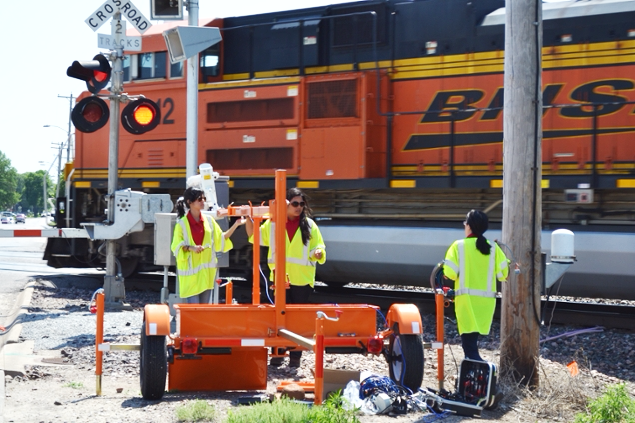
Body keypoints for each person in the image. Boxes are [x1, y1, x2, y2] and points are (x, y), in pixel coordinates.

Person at [245, 187, 326, 367]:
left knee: (297, 320)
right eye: (294, 203)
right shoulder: (273, 224)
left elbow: (318, 246)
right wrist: (248, 218)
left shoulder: (310, 225)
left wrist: (318, 253)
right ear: (286, 204)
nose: (298, 207)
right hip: (279, 279)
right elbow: (254, 236)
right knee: (279, 318)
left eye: (301, 204)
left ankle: (295, 357)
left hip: (302, 279)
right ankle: (278, 354)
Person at [443, 210, 509, 362]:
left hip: (466, 302)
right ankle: (476, 372)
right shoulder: (493, 248)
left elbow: (450, 274)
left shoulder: (458, 246)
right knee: (472, 343)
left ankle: (478, 372)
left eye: (465, 223)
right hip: (486, 304)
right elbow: (504, 274)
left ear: (469, 226)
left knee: (469, 346)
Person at [171, 186, 245, 304]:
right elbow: (176, 247)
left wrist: (236, 224)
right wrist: (192, 248)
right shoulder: (181, 224)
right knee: (195, 312)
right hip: (191, 278)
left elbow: (221, 238)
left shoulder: (209, 221)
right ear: (190, 202)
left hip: (207, 276)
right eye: (199, 199)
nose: (203, 201)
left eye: (204, 198)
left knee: (203, 311)